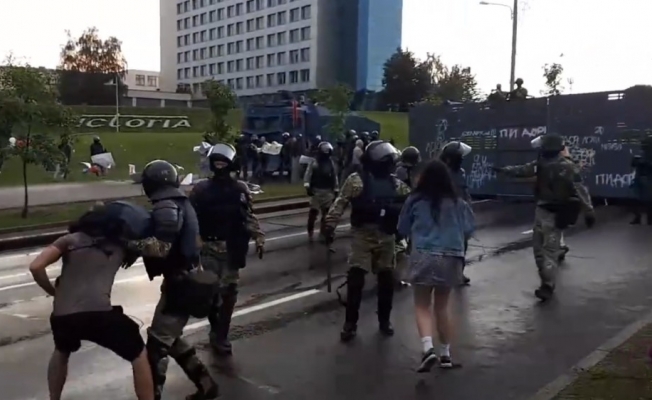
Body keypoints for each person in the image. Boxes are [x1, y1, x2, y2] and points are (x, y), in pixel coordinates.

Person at [29, 205, 155, 400]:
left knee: (62, 350)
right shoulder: (119, 246)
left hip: (63, 316)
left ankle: (54, 397)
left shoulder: (69, 240)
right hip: (100, 315)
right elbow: (157, 249)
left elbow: (36, 266)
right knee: (138, 354)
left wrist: (54, 292)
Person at [131, 159, 220, 400]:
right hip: (184, 279)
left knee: (157, 344)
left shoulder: (166, 205)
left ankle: (153, 395)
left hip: (181, 284)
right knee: (170, 338)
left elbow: (161, 248)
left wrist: (128, 244)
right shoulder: (180, 201)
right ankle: (206, 384)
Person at [322, 140, 411, 342]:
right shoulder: (356, 181)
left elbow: (411, 200)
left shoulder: (394, 183)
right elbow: (340, 203)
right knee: (356, 279)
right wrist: (329, 226)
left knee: (386, 280)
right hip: (362, 235)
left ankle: (384, 320)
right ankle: (350, 323)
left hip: (386, 235)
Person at [493, 134, 595, 301]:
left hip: (554, 211)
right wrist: (589, 211)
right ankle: (546, 281)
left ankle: (547, 284)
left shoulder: (562, 166)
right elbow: (581, 190)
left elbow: (579, 189)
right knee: (541, 249)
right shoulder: (555, 165)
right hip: (544, 210)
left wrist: (589, 211)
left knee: (547, 250)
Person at [397, 159, 475, 372]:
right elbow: (469, 229)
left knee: (422, 304)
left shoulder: (415, 200)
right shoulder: (458, 203)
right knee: (442, 306)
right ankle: (446, 355)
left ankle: (427, 349)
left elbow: (402, 228)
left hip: (424, 255)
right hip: (451, 257)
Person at [189, 143, 265, 356]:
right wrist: (193, 241)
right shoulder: (200, 190)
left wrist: (259, 236)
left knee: (229, 294)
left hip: (232, 248)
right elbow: (190, 218)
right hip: (208, 249)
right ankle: (215, 329)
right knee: (211, 295)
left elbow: (248, 216)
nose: (220, 165)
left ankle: (222, 335)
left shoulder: (240, 189)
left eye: (224, 162)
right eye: (217, 162)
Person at [439, 141, 472, 285]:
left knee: (462, 244)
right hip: (446, 215)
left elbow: (465, 192)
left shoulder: (461, 173)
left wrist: (468, 207)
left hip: (460, 213)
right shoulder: (442, 173)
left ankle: (459, 273)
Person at [303, 141, 339, 242]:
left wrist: (336, 189)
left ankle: (324, 232)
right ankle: (310, 231)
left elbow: (334, 176)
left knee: (327, 214)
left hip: (328, 191)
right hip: (316, 191)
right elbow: (308, 174)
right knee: (313, 213)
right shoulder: (314, 162)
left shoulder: (331, 163)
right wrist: (307, 186)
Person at [630, 135, 652, 224]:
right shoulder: (643, 154)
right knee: (638, 200)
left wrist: (642, 162)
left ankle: (645, 218)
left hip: (647, 178)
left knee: (646, 201)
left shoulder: (646, 154)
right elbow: (634, 163)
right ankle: (640, 218)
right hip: (641, 178)